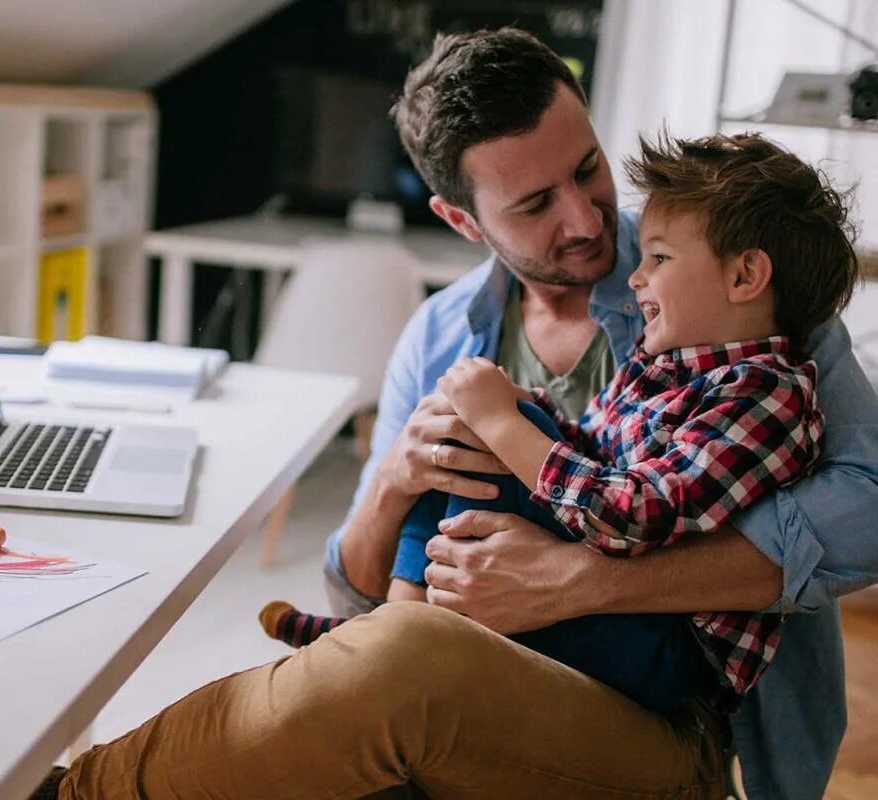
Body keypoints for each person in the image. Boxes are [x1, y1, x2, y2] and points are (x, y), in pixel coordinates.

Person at [56, 28, 878, 799]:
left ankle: (70, 791)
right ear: (460, 218)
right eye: (534, 204)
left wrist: (577, 584)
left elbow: (867, 510)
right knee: (371, 668)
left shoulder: (729, 289)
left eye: (588, 169)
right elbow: (358, 598)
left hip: (670, 716)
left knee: (403, 661)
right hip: (483, 664)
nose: (587, 219)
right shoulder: (443, 333)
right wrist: (391, 480)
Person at [259, 129, 856, 718]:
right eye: (535, 200)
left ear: (745, 276)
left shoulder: (767, 392)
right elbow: (588, 447)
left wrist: (506, 423)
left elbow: (634, 515)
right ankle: (388, 635)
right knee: (456, 446)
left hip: (672, 646)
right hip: (619, 597)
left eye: (660, 258)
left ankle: (387, 651)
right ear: (464, 219)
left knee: (488, 440)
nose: (635, 276)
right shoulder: (660, 367)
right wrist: (515, 412)